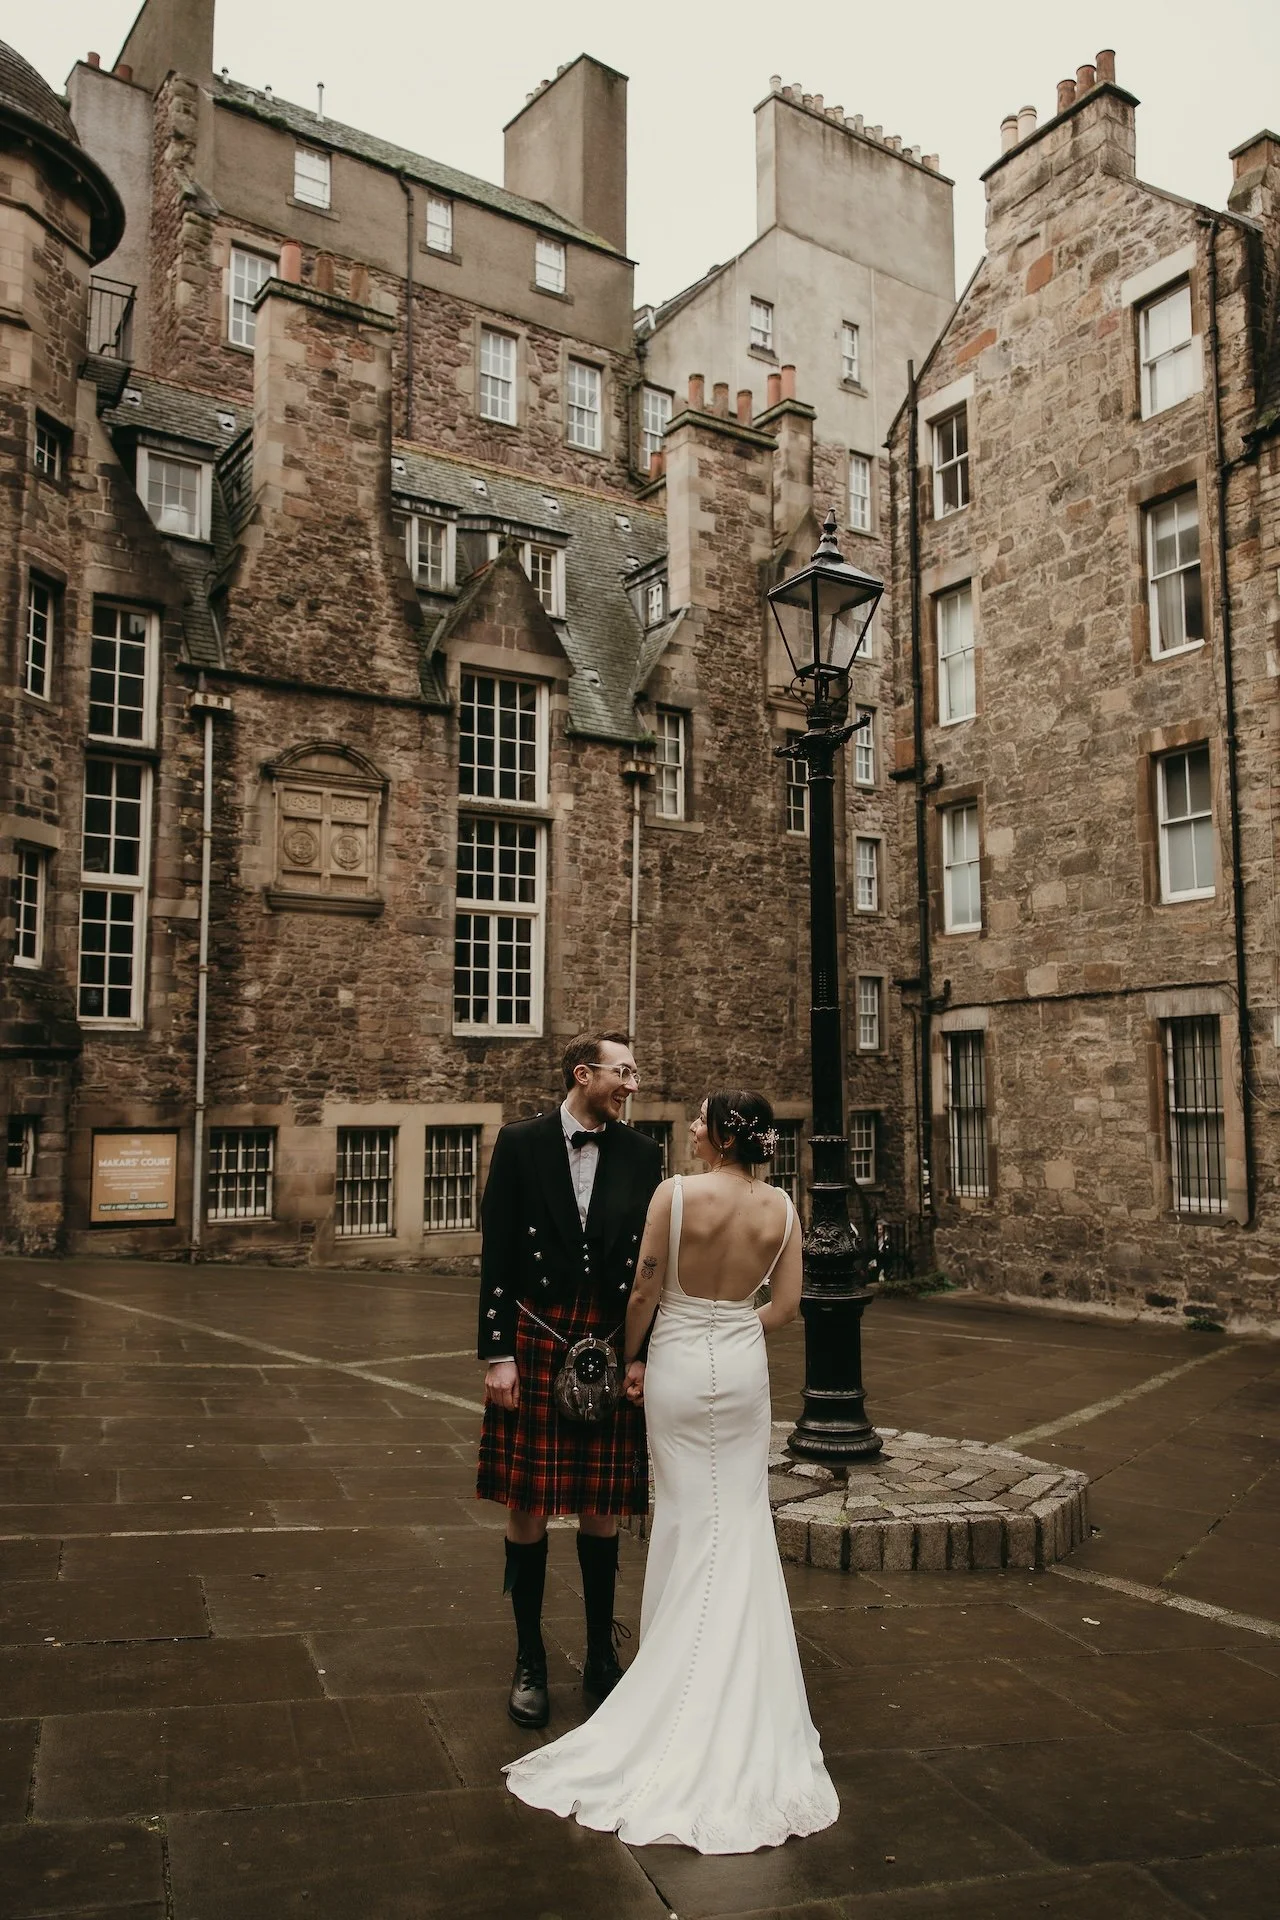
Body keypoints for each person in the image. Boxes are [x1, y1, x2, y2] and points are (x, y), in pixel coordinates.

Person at [503, 1089, 840, 1854]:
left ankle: (672, 1686)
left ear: (721, 1134)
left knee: (686, 1517)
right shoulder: (783, 1209)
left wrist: (634, 1355)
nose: (689, 1128)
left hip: (680, 1366)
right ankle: (741, 1692)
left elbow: (645, 1289)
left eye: (699, 1119)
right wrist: (729, 1324)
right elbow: (785, 1308)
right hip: (743, 1367)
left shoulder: (675, 1194)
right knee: (741, 1518)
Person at [476, 1030, 664, 1730]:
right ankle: (530, 1658)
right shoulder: (521, 1144)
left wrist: (643, 1355)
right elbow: (497, 1252)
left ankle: (599, 1652)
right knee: (526, 1503)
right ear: (582, 1074)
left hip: (611, 1337)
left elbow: (652, 1269)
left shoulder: (643, 1155)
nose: (631, 1085)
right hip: (536, 1333)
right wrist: (498, 1356)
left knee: (601, 1503)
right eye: (622, 1072)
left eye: (634, 1073)